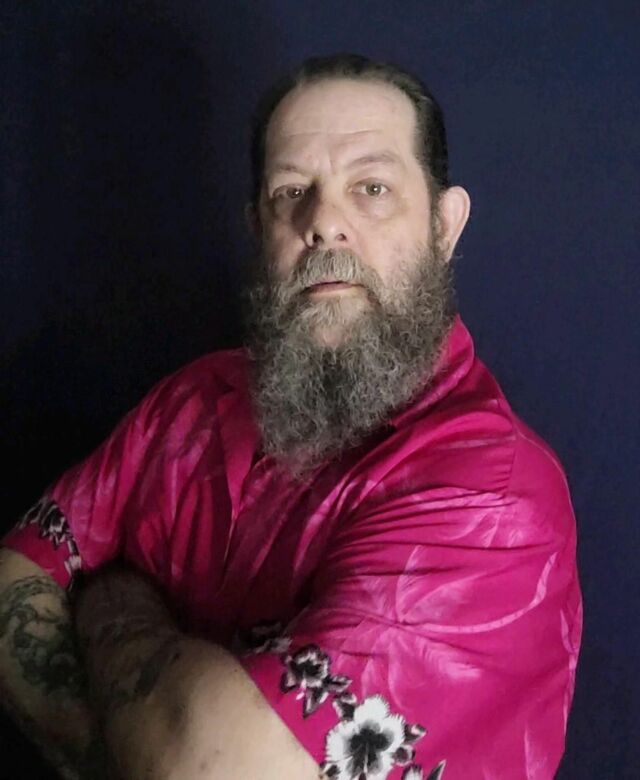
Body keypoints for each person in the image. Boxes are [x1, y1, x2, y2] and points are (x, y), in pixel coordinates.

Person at [0, 53, 582, 780]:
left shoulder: (499, 499)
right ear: (257, 228)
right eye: (291, 192)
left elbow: (211, 771)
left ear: (444, 225)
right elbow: (16, 574)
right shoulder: (191, 401)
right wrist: (123, 748)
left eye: (371, 188)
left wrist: (112, 600)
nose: (324, 222)